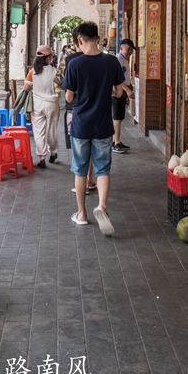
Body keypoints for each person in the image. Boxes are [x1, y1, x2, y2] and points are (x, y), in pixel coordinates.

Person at [62, 21, 127, 236]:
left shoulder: (74, 64)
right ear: (98, 39)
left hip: (81, 125)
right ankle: (102, 207)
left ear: (79, 40)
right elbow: (118, 93)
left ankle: (81, 214)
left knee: (80, 170)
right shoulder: (111, 62)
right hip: (103, 124)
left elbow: (69, 97)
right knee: (102, 169)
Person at [57, 29, 96, 192]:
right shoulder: (100, 59)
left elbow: (59, 83)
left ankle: (83, 184)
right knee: (94, 145)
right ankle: (90, 179)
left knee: (79, 146)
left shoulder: (69, 60)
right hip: (96, 107)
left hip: (75, 108)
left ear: (76, 41)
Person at [24, 45, 60, 168]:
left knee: (39, 132)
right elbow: (57, 86)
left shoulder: (32, 71)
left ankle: (41, 158)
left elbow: (26, 88)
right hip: (52, 104)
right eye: (51, 56)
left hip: (37, 105)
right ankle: (53, 152)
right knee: (51, 130)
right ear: (48, 57)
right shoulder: (54, 71)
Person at [111, 38, 136, 154]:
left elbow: (126, 78)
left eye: (131, 50)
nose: (130, 51)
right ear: (121, 48)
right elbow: (117, 79)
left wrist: (127, 94)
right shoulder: (118, 59)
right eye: (128, 49)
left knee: (119, 118)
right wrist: (127, 90)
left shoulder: (125, 60)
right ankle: (116, 143)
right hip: (117, 93)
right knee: (117, 119)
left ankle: (116, 141)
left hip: (122, 93)